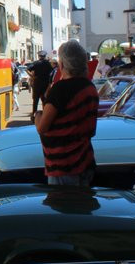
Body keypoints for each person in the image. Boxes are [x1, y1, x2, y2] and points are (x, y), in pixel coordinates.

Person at [34, 40, 99, 187]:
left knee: (64, 207)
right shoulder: (90, 88)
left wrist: (37, 115)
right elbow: (91, 129)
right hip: (86, 161)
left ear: (62, 64)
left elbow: (42, 127)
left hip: (63, 166)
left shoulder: (60, 90)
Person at [27, 51, 54, 121]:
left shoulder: (36, 63)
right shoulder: (48, 63)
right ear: (45, 56)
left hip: (37, 83)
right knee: (44, 100)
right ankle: (45, 116)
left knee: (35, 101)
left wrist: (32, 76)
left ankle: (33, 116)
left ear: (39, 56)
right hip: (45, 83)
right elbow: (52, 72)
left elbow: (27, 69)